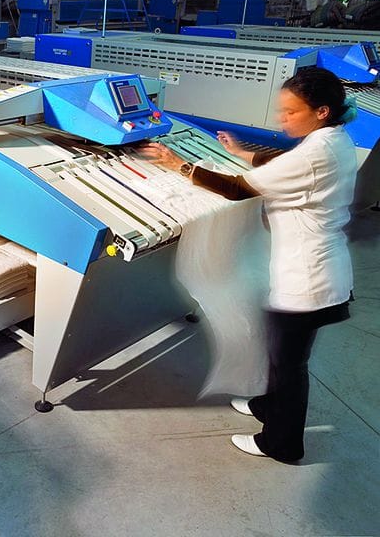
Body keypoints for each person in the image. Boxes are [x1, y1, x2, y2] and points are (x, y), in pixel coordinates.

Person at [141, 67, 358, 462]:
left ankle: (281, 443)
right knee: (281, 352)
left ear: (322, 111)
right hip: (318, 266)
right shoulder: (334, 138)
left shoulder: (315, 153)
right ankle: (266, 406)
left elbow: (238, 189)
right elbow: (285, 162)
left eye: (291, 112)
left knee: (289, 364)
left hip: (308, 279)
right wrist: (241, 152)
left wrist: (179, 165)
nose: (282, 119)